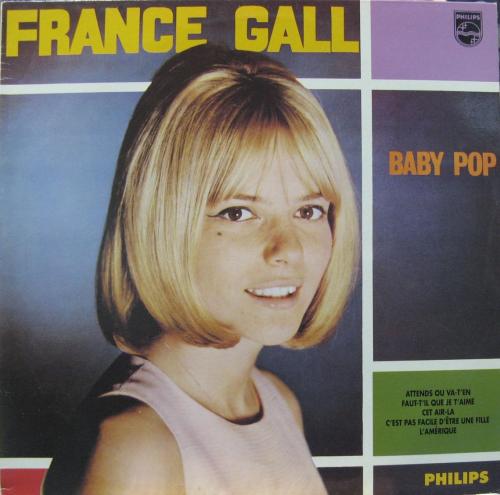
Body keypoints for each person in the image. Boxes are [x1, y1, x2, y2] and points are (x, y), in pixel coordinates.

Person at [43, 43, 359, 495]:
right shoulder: (135, 448)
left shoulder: (278, 402)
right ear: (162, 225)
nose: (287, 250)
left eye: (308, 211)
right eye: (238, 213)